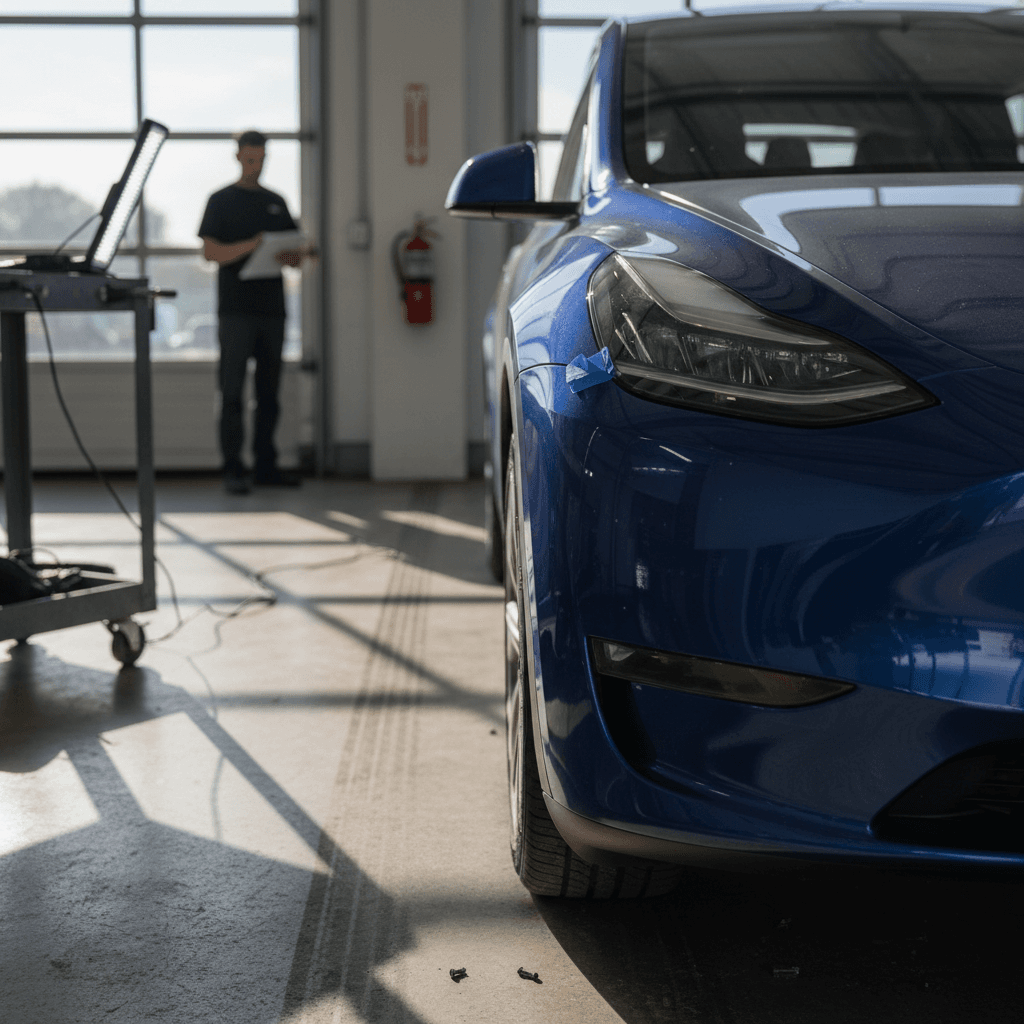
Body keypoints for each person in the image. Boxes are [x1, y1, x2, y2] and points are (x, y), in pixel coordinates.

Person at [199, 129, 312, 494]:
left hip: (271, 311)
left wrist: (294, 254)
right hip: (235, 311)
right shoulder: (220, 201)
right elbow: (211, 253)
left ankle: (267, 465)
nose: (255, 165)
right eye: (249, 159)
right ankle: (233, 467)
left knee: (270, 392)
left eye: (260, 159)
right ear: (237, 157)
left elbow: (294, 259)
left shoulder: (276, 202)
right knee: (231, 392)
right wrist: (254, 245)